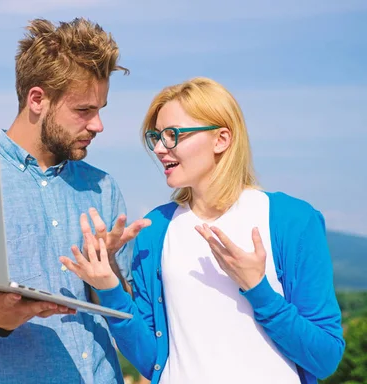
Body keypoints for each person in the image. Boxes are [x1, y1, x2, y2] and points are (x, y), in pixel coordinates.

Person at [60, 77, 346, 384]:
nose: (159, 148)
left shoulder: (292, 221)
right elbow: (152, 360)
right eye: (155, 136)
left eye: (172, 135)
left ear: (221, 139)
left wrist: (258, 290)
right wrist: (110, 288)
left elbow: (326, 357)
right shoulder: (155, 230)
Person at [0, 17, 149, 384]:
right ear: (37, 99)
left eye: (101, 109)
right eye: (84, 110)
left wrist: (110, 272)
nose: (98, 125)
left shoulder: (103, 188)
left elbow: (123, 312)